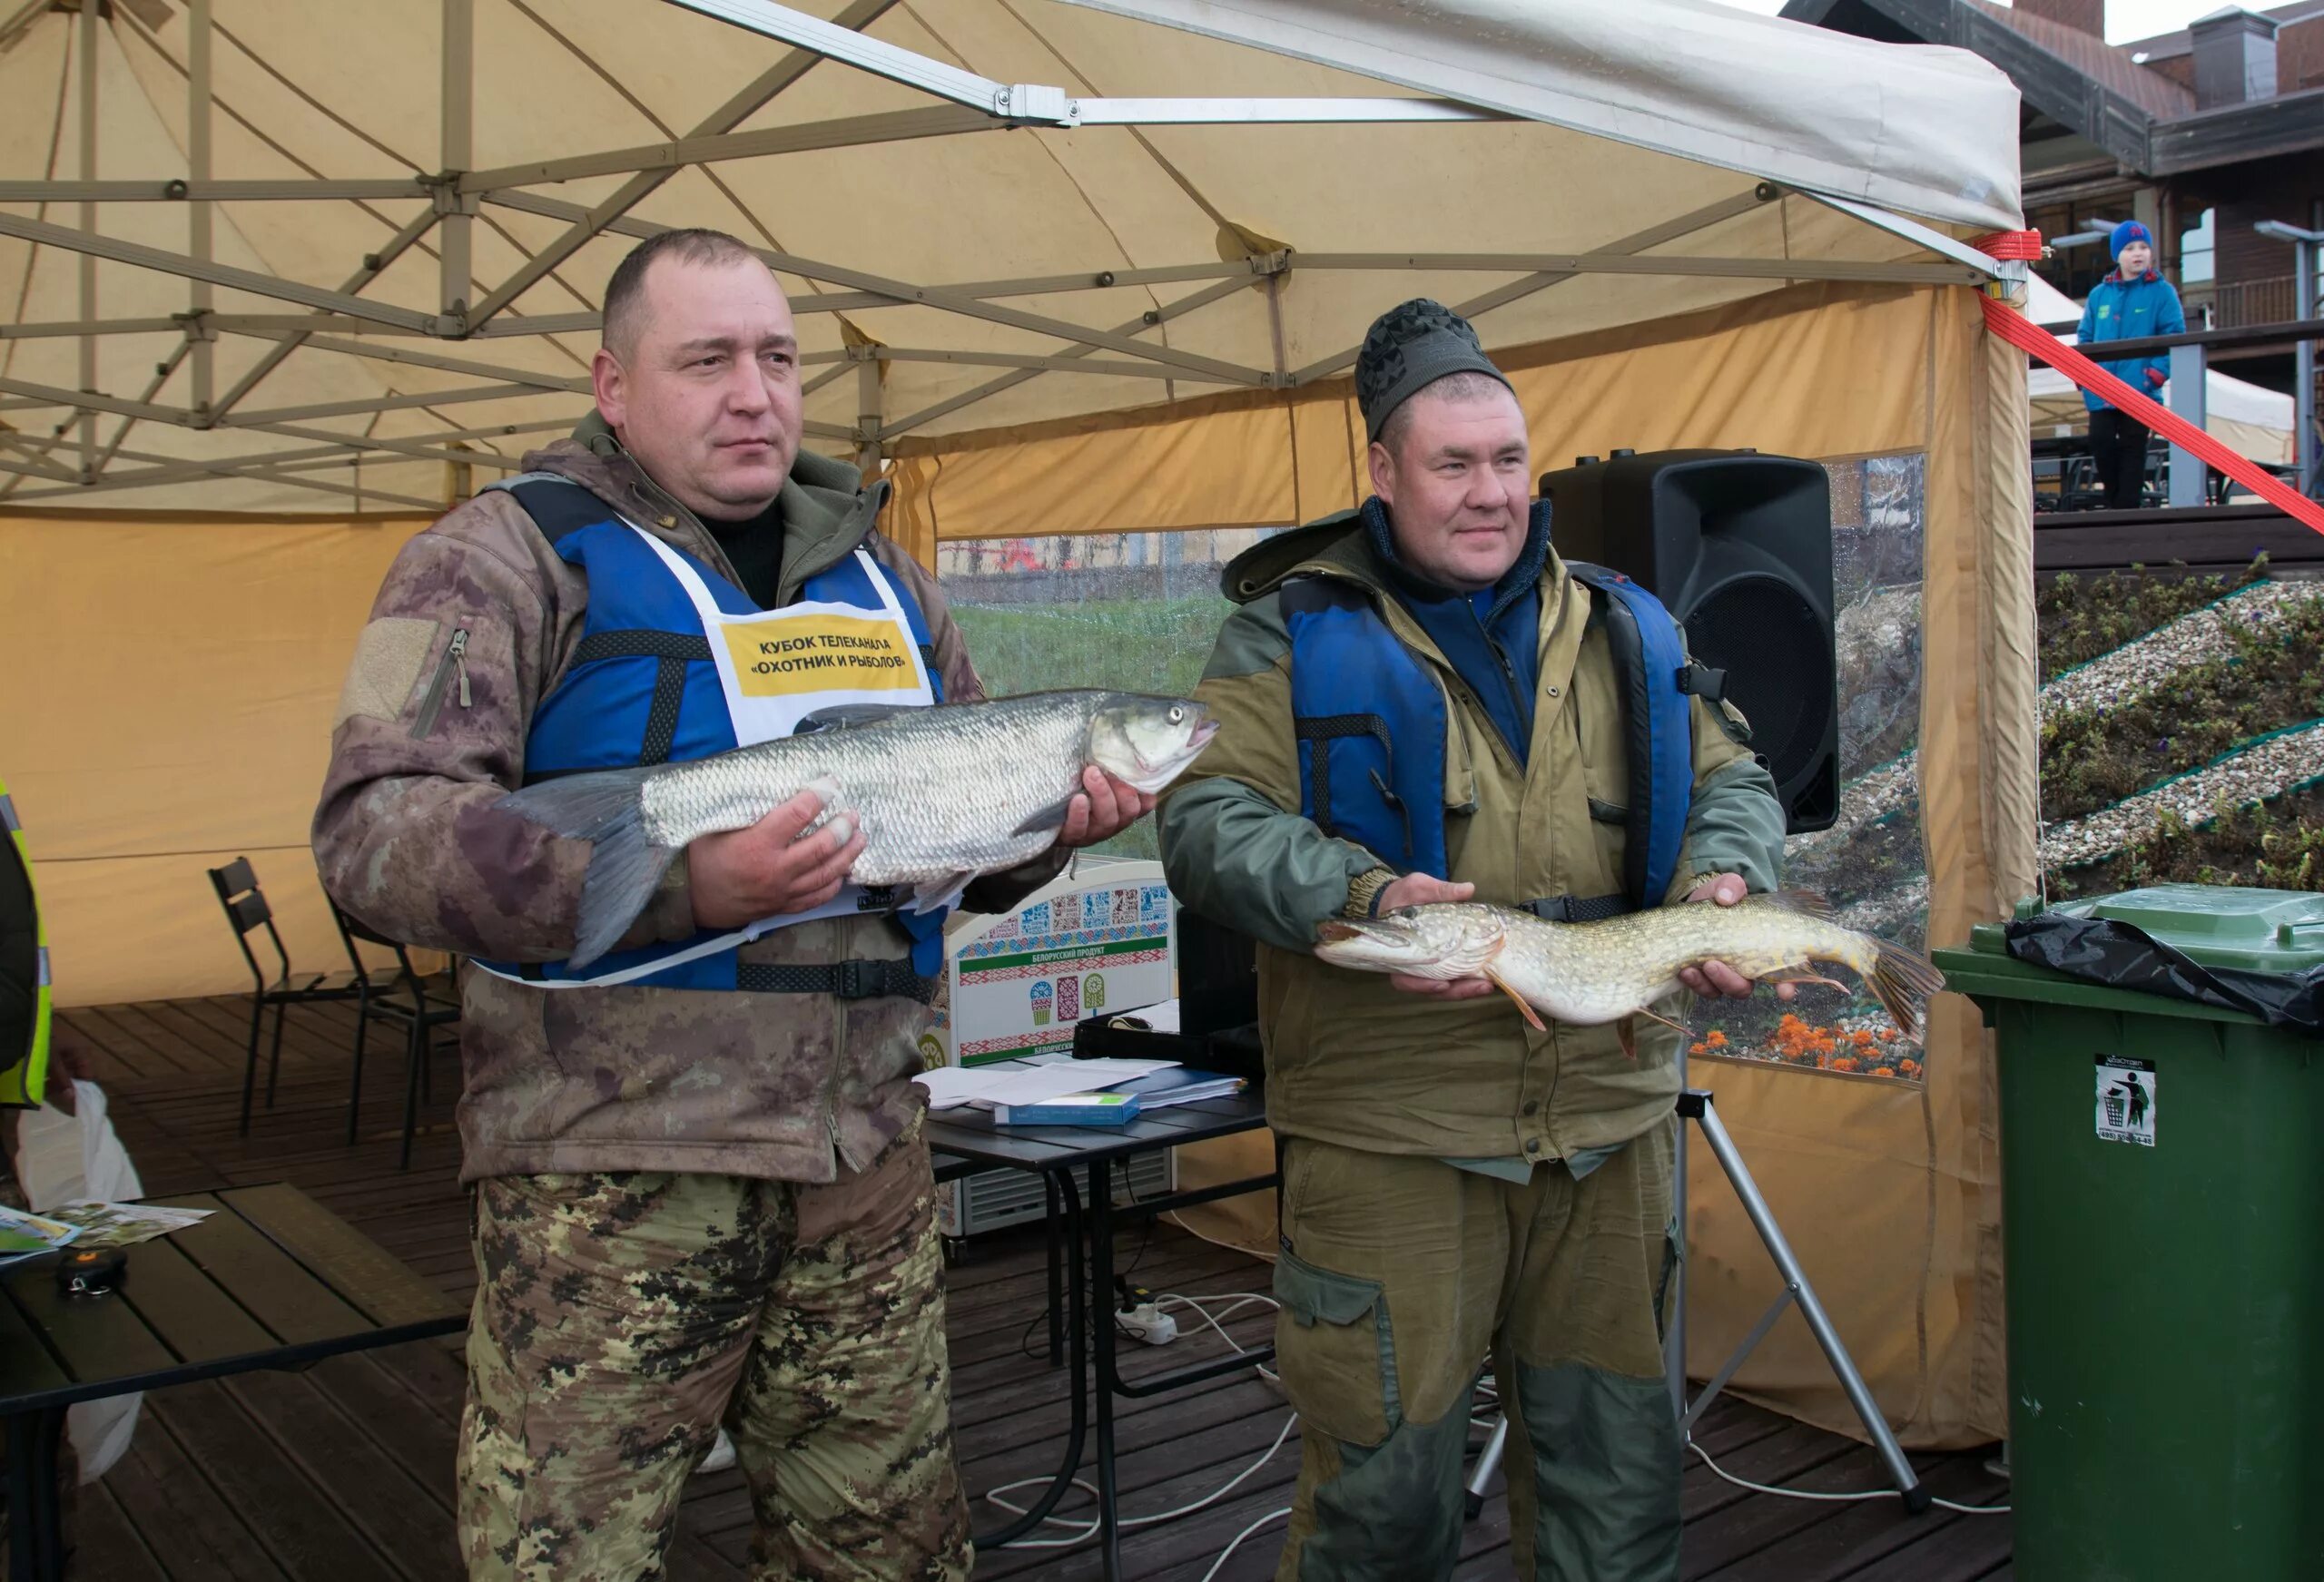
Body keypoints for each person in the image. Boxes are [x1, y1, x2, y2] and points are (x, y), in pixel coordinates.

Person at [312, 228, 1156, 1581]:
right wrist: (673, 885)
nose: (753, 392)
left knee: (884, 1555)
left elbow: (975, 842)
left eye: (776, 357)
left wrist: (1047, 836)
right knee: (566, 1559)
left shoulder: (888, 578)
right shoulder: (504, 557)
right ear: (614, 384)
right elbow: (372, 835)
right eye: (706, 360)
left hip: (864, 1163)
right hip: (616, 1178)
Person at [1157, 300, 1788, 1581]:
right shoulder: (1284, 630)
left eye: (1507, 458)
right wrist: (1363, 891)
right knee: (1381, 1510)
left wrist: (1728, 873)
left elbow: (1737, 778)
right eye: (1453, 464)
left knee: (1619, 1503)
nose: (1490, 492)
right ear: (1382, 473)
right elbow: (1203, 817)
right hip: (1393, 1140)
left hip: (1609, 1124)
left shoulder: (1627, 625)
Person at [2077, 220, 2186, 511]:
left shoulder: (2162, 292)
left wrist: (2155, 375)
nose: (2138, 253)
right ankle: (2116, 508)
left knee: (2133, 448)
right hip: (2101, 390)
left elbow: (2174, 335)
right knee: (2099, 442)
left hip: (2140, 389)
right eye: (2129, 248)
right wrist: (2083, 377)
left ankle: (2126, 513)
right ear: (2117, 255)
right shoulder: (2099, 295)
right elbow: (2085, 337)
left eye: (2144, 247)